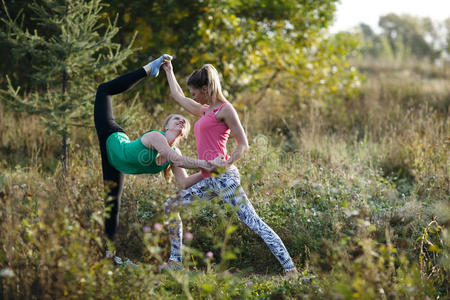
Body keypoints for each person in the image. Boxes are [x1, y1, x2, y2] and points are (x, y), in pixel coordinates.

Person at [161, 60, 298, 276]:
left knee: (254, 223)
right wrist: (169, 71)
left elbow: (243, 144)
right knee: (171, 205)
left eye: (195, 92)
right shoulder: (204, 111)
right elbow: (178, 96)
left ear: (205, 89)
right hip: (208, 181)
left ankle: (290, 269)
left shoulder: (225, 110)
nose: (193, 96)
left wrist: (227, 162)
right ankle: (175, 261)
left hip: (224, 179)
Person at [94, 54, 212, 265]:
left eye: (183, 121)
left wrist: (208, 173)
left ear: (184, 134)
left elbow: (184, 182)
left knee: (112, 204)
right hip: (112, 138)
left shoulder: (172, 157)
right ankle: (149, 68)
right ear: (166, 126)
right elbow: (177, 157)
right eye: (176, 119)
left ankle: (109, 257)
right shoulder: (157, 137)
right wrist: (206, 163)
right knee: (103, 89)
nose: (181, 121)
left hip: (116, 163)